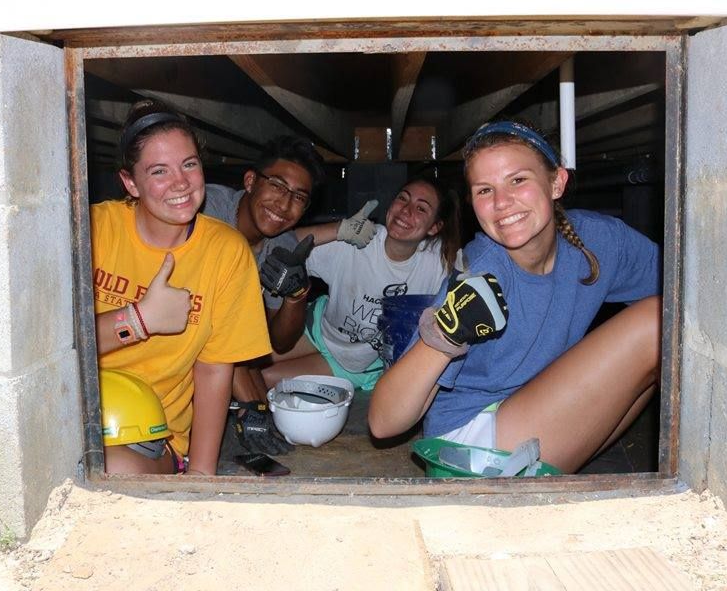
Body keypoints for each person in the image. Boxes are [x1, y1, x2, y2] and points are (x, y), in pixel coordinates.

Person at [368, 120, 662, 474]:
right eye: (484, 190)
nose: (502, 203)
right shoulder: (481, 274)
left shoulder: (600, 239)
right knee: (657, 322)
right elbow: (383, 422)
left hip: (529, 418)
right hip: (467, 451)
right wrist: (448, 332)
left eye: (518, 180)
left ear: (556, 182)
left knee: (669, 330)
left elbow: (687, 289)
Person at [90, 99, 271, 475]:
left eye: (189, 164)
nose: (181, 183)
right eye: (159, 170)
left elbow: (214, 370)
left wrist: (201, 476)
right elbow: (51, 349)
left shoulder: (226, 251)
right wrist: (137, 320)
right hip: (77, 416)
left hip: (152, 436)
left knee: (109, 467)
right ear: (130, 183)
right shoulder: (94, 229)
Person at [201, 135, 378, 455]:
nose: (284, 205)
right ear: (251, 181)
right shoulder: (208, 209)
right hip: (161, 337)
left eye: (298, 197)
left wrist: (297, 295)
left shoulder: (279, 245)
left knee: (263, 398)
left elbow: (278, 341)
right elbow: (207, 320)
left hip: (215, 349)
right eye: (277, 186)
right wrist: (249, 403)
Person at [261, 175, 462, 392]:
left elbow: (471, 286)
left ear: (434, 227)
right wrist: (339, 229)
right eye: (403, 198)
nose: (406, 210)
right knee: (247, 358)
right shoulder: (360, 239)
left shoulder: (437, 263)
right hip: (317, 329)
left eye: (421, 208)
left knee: (266, 378)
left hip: (355, 364)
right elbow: (277, 247)